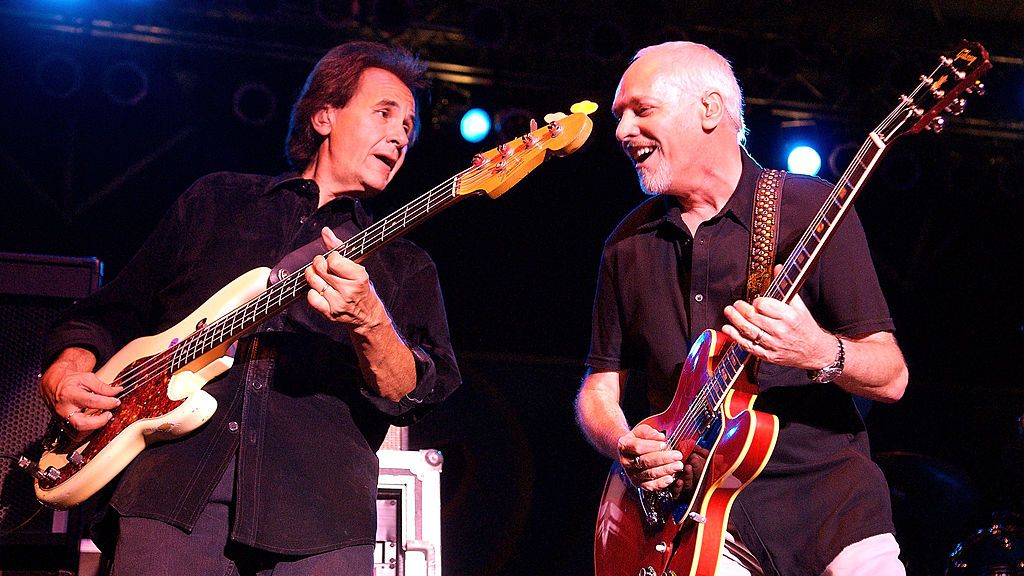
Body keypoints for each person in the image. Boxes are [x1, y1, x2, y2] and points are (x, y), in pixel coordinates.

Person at [38, 41, 461, 575]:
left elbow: (420, 390)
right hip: (169, 498)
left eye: (410, 127)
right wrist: (65, 371)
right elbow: (107, 314)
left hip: (317, 522)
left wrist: (373, 324)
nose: (401, 136)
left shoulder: (404, 263)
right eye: (385, 113)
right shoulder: (217, 201)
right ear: (325, 115)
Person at [575, 41, 909, 575]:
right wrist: (623, 442)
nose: (621, 131)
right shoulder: (627, 244)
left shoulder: (811, 208)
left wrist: (817, 350)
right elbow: (599, 387)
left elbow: (891, 376)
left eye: (642, 110)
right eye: (620, 116)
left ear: (709, 110)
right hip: (700, 523)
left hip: (831, 514)